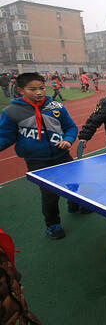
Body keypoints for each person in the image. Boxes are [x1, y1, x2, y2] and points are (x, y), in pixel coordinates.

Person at [0, 73, 83, 239]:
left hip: (62, 155)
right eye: (32, 89)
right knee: (49, 194)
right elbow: (5, 136)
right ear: (20, 90)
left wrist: (67, 140)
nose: (39, 92)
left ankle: (75, 205)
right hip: (37, 161)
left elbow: (71, 127)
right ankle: (53, 224)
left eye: (42, 88)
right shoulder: (11, 112)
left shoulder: (57, 107)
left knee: (73, 185)